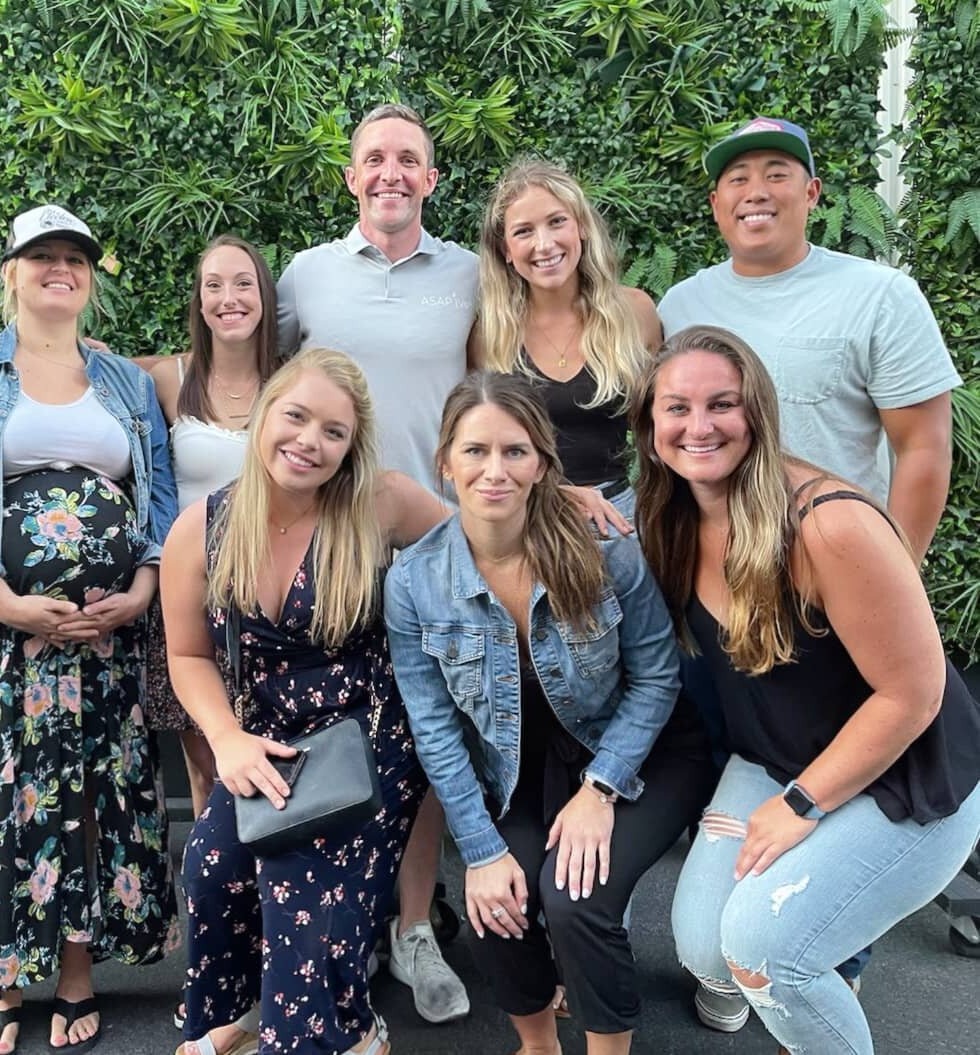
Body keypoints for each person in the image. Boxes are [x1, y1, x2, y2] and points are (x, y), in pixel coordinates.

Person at [631, 325, 980, 1055]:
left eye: (721, 403)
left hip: (906, 773)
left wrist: (800, 805)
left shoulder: (827, 524)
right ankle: (820, 971)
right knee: (706, 949)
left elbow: (914, 694)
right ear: (649, 423)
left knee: (769, 952)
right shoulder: (671, 517)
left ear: (757, 411)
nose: (698, 426)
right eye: (676, 407)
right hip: (776, 757)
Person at [0, 204, 179, 1055]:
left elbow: (162, 497)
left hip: (105, 636)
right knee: (1, 798)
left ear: (90, 278)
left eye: (75, 258)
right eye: (41, 257)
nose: (59, 269)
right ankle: (0, 976)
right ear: (11, 272)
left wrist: (143, 583)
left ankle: (75, 972)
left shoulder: (125, 382)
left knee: (94, 797)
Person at [385, 371, 711, 1055]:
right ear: (445, 461)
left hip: (636, 752)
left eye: (515, 451)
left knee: (576, 901)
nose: (494, 470)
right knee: (495, 905)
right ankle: (537, 1045)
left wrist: (601, 788)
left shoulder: (604, 551)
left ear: (541, 463)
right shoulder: (414, 579)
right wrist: (476, 847)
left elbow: (657, 676)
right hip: (519, 764)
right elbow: (436, 726)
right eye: (475, 451)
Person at [161, 348, 449, 1055]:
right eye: (296, 416)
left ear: (351, 448)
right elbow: (188, 655)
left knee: (299, 890)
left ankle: (337, 1033)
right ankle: (257, 1013)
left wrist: (563, 500)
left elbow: (484, 540)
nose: (308, 441)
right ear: (264, 415)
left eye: (332, 431)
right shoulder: (200, 527)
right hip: (265, 741)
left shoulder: (383, 503)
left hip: (370, 739)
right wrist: (226, 737)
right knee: (212, 868)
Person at [275, 101, 477, 1022]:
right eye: (374, 159)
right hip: (332, 545)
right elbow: (260, 388)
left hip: (437, 539)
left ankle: (413, 925)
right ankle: (342, 920)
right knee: (338, 729)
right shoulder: (304, 279)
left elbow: (495, 400)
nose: (391, 172)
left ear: (430, 180)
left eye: (410, 159)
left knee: (432, 739)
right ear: (351, 177)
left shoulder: (472, 278)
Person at [658, 116, 958, 564]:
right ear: (717, 202)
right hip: (711, 566)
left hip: (836, 562)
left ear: (811, 192)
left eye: (777, 174)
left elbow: (923, 448)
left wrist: (894, 571)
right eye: (738, 179)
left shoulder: (880, 295)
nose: (756, 191)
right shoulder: (679, 307)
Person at [146, 234, 280, 821]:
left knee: (274, 763)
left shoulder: (293, 383)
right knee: (208, 768)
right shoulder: (169, 378)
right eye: (214, 286)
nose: (229, 298)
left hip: (275, 598)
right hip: (191, 600)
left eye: (243, 283)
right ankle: (212, 901)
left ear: (265, 297)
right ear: (199, 303)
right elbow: (76, 366)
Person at [478, 157, 662, 528]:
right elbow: (480, 444)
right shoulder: (490, 334)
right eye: (524, 231)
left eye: (556, 221)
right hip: (528, 516)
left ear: (581, 228)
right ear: (506, 251)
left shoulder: (634, 312)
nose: (544, 244)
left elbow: (661, 429)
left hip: (622, 516)